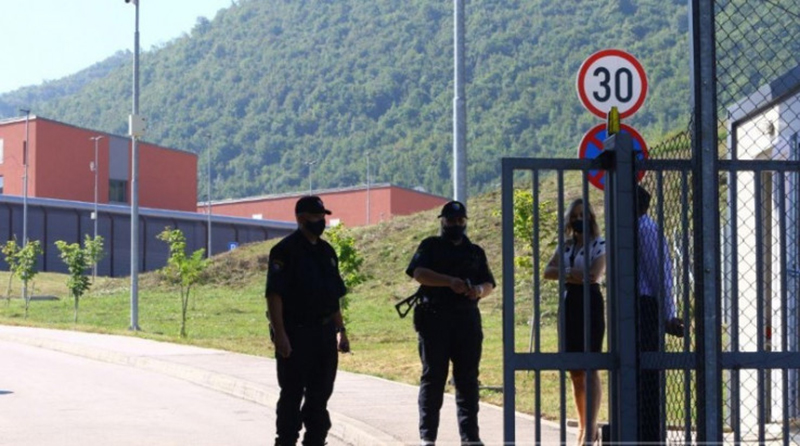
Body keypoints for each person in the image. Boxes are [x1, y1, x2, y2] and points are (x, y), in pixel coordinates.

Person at [405, 200, 496, 446]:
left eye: (460, 220)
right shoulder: (430, 246)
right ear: (442, 221)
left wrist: (478, 290)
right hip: (435, 319)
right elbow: (419, 273)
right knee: (434, 377)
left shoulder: (474, 251)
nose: (456, 224)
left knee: (468, 379)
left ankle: (470, 437)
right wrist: (449, 282)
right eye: (451, 220)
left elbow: (489, 283)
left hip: (466, 319)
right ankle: (428, 437)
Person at [265, 195, 350, 446]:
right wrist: (280, 333)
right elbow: (274, 295)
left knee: (319, 398)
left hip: (323, 334)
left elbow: (332, 297)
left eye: (323, 216)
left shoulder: (327, 252)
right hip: (296, 333)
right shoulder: (284, 251)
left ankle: (315, 441)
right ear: (301, 219)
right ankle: (286, 440)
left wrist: (341, 330)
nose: (321, 221)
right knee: (291, 395)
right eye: (316, 216)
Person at [543, 198, 606, 446]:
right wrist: (571, 273)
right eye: (575, 216)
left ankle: (591, 428)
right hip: (569, 304)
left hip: (590, 304)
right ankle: (582, 426)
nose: (579, 220)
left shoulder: (600, 244)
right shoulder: (566, 246)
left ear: (590, 218)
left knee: (590, 365)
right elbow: (548, 271)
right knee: (574, 370)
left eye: (583, 215)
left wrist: (566, 273)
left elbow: (593, 275)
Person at [635, 185, 683, 444]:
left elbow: (661, 276)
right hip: (638, 305)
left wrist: (667, 314)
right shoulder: (633, 230)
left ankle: (650, 435)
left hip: (646, 306)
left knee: (648, 373)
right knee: (638, 373)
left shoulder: (646, 230)